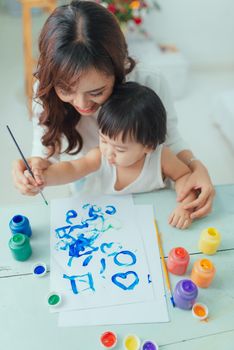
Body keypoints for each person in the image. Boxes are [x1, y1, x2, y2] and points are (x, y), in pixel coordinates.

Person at [12, 0, 215, 219]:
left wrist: (195, 167)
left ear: (118, 70)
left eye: (96, 92)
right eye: (66, 90)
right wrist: (34, 171)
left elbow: (170, 141)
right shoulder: (46, 90)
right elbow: (47, 155)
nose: (81, 103)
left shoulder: (147, 82)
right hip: (91, 194)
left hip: (150, 198)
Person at [26, 82, 197, 229]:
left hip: (151, 220)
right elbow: (72, 168)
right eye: (103, 140)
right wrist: (44, 178)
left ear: (148, 146)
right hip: (109, 221)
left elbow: (184, 177)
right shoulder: (99, 156)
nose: (108, 151)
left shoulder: (162, 157)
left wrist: (185, 206)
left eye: (120, 149)